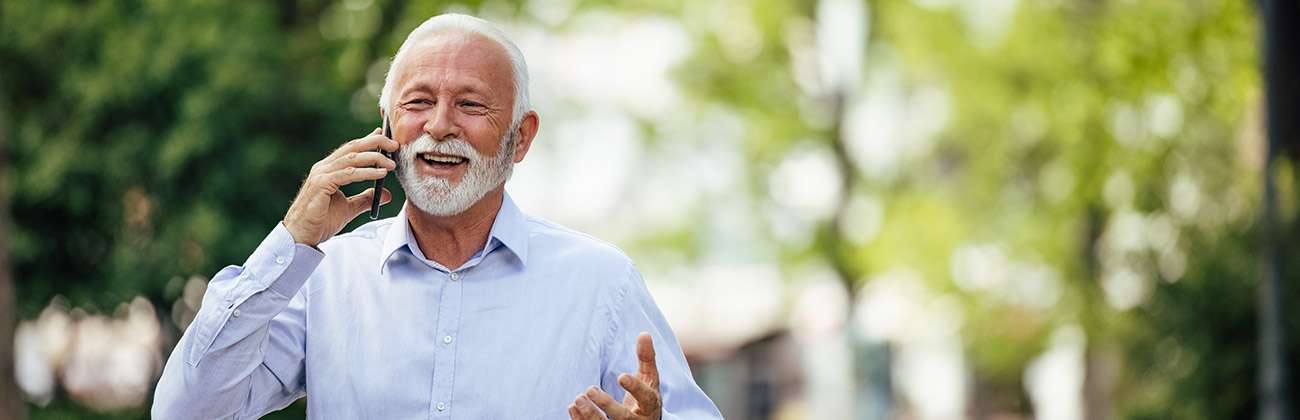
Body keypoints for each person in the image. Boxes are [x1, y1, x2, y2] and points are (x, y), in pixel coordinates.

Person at [151, 13, 721, 420]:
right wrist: (290, 241)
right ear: (386, 125)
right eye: (418, 102)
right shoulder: (323, 275)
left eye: (470, 104)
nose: (439, 125)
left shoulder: (602, 282)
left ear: (520, 138)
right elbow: (187, 411)